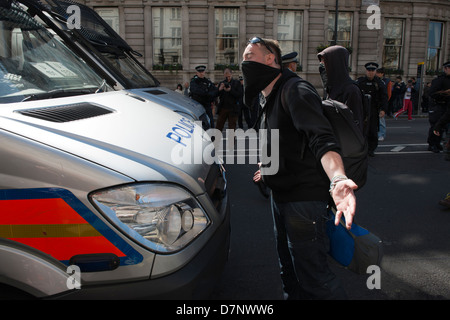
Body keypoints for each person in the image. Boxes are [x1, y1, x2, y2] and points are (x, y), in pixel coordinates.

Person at [243, 37, 357, 299]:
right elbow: (280, 139)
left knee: (315, 278)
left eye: (249, 56)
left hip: (303, 201)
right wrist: (268, 166)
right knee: (289, 272)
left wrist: (338, 178)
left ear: (270, 58)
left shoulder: (296, 90)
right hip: (280, 195)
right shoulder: (267, 96)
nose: (243, 62)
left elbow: (322, 139)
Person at [317, 45, 364, 135]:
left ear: (335, 63)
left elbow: (355, 125)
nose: (321, 64)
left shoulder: (351, 90)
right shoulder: (331, 88)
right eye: (321, 61)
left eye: (324, 61)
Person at [356, 62, 388, 157]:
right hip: (362, 109)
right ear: (366, 71)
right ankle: (362, 148)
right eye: (369, 71)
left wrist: (383, 109)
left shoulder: (379, 83)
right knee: (361, 130)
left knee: (373, 130)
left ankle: (371, 149)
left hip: (374, 109)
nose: (370, 73)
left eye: (372, 71)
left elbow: (384, 97)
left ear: (375, 71)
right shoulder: (360, 82)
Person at [428, 61, 450, 153]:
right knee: (436, 125)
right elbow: (432, 93)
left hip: (448, 105)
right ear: (445, 69)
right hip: (439, 105)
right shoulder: (439, 80)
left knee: (445, 125)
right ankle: (433, 144)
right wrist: (445, 94)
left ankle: (439, 143)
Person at [376, 68, 392, 141]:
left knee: (381, 121)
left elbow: (388, 94)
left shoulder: (387, 81)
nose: (377, 74)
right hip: (375, 102)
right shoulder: (375, 80)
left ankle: (381, 134)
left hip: (381, 103)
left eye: (378, 73)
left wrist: (384, 104)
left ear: (382, 74)